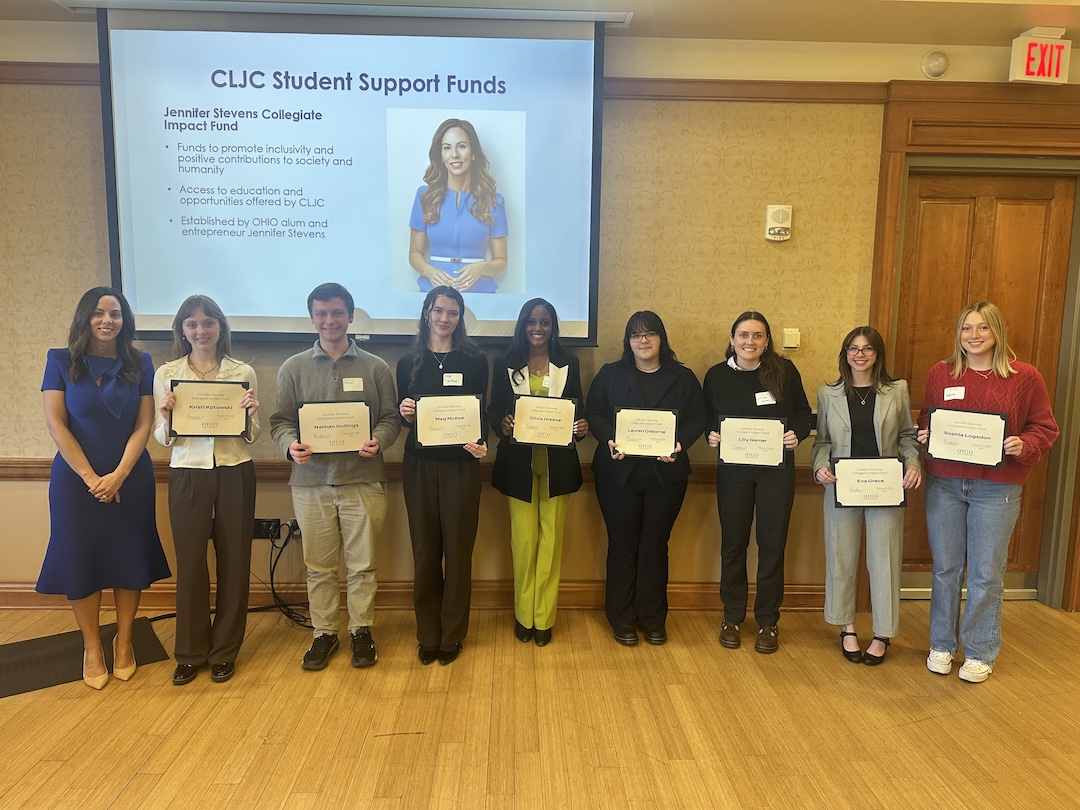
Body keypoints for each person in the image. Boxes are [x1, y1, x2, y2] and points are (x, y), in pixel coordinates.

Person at [917, 301, 1058, 683]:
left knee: (985, 573)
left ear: (997, 333)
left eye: (982, 328)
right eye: (966, 328)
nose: (973, 336)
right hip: (944, 483)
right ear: (958, 333)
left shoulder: (1024, 377)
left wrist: (1022, 445)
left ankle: (980, 651)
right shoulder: (941, 373)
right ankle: (942, 644)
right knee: (946, 569)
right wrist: (925, 434)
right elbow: (927, 419)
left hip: (997, 488)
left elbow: (1044, 428)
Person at [38, 287, 170, 690]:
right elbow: (56, 424)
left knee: (128, 558)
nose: (107, 320)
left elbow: (144, 424)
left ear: (125, 321)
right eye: (98, 313)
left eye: (115, 313)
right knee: (82, 560)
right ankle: (92, 646)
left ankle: (125, 642)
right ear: (85, 317)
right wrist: (92, 478)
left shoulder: (141, 362)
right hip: (76, 483)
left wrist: (117, 476)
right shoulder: (60, 360)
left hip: (130, 478)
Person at [269, 283, 401, 672]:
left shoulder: (375, 366)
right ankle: (324, 633)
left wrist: (380, 439)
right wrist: (290, 446)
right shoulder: (293, 368)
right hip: (311, 483)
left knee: (363, 565)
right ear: (312, 318)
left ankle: (362, 630)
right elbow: (279, 423)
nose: (330, 321)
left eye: (337, 313)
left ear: (351, 315)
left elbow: (391, 418)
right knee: (319, 567)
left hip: (364, 480)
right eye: (322, 314)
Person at [153, 295, 260, 685]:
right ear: (182, 330)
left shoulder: (242, 371)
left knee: (235, 561)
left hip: (235, 471)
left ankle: (224, 651)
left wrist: (250, 416)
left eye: (208, 322)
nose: (201, 330)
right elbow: (163, 438)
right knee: (191, 563)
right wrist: (165, 417)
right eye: (193, 324)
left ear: (220, 328)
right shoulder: (167, 373)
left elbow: (251, 436)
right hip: (187, 473)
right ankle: (190, 652)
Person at [585, 311, 705, 646]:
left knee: (655, 546)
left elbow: (698, 418)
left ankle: (653, 618)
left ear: (661, 339)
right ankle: (622, 618)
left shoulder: (682, 378)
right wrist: (609, 438)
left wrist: (680, 443)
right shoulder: (610, 374)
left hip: (666, 475)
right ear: (628, 341)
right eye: (636, 335)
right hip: (617, 475)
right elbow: (593, 412)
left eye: (650, 334)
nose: (643, 341)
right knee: (622, 546)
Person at [812, 326, 921, 666]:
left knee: (883, 559)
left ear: (878, 354)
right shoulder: (828, 393)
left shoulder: (896, 390)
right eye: (853, 349)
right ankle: (846, 627)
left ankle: (883, 633)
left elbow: (906, 434)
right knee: (841, 556)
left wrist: (913, 463)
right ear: (845, 354)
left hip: (886, 486)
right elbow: (822, 441)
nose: (860, 355)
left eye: (867, 349)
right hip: (842, 485)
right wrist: (819, 468)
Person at [704, 311, 812, 654]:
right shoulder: (717, 376)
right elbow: (707, 418)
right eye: (744, 335)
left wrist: (797, 433)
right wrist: (710, 435)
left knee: (772, 545)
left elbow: (802, 414)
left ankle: (768, 621)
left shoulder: (784, 370)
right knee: (733, 544)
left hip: (775, 472)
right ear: (732, 339)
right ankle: (732, 616)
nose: (750, 342)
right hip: (733, 471)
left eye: (758, 336)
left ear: (767, 341)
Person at [397, 285, 489, 664]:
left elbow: (481, 413)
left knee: (459, 551)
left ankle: (452, 634)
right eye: (438, 311)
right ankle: (428, 634)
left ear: (460, 317)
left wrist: (483, 444)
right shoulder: (408, 362)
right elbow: (404, 418)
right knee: (425, 552)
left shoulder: (476, 360)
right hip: (420, 466)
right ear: (426, 313)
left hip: (462, 468)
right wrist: (404, 414)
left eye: (452, 312)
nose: (444, 318)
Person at [489, 298, 588, 646]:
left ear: (553, 327)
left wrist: (582, 426)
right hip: (518, 467)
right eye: (532, 321)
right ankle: (523, 614)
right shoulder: (505, 363)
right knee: (524, 541)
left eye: (545, 322)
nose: (538, 328)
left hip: (557, 467)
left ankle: (544, 618)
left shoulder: (569, 363)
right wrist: (501, 423)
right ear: (522, 325)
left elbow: (579, 408)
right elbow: (492, 411)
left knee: (551, 542)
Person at [409, 118, 508, 294]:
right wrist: (429, 271)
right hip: (433, 293)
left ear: (473, 153)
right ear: (441, 155)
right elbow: (414, 253)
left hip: (480, 293)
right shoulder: (424, 197)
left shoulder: (494, 202)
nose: (454, 154)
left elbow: (501, 262)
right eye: (447, 148)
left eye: (461, 146)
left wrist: (481, 268)